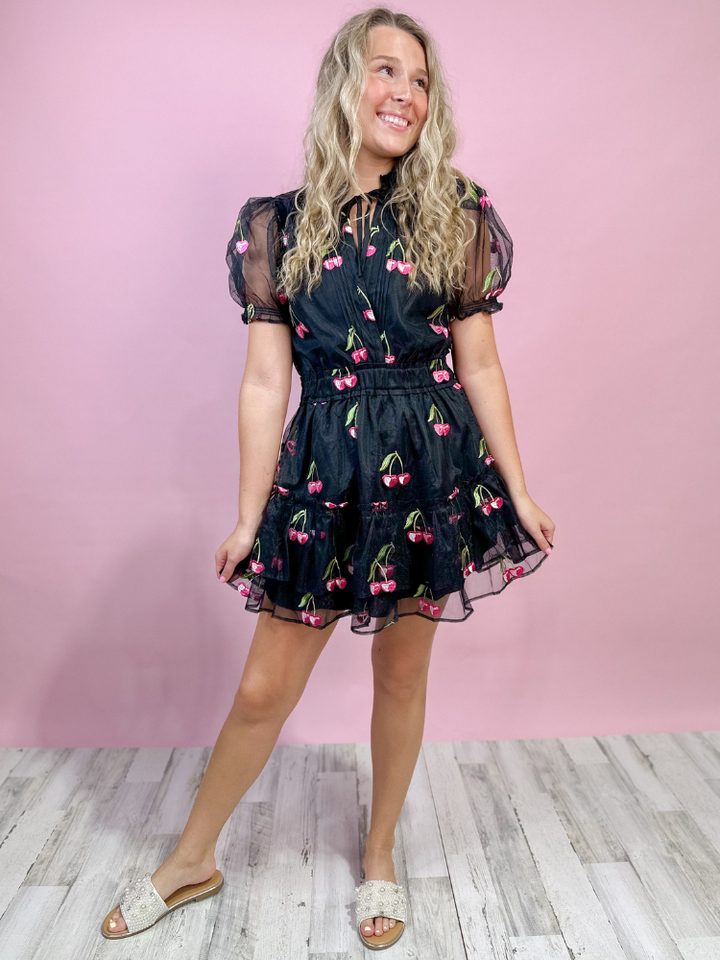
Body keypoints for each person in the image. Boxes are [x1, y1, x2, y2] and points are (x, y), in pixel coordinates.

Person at [100, 6, 555, 949]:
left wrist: (518, 487)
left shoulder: (456, 212)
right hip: (325, 474)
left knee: (403, 672)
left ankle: (380, 855)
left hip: (430, 466)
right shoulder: (275, 226)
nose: (406, 94)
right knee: (264, 688)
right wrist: (246, 516)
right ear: (346, 84)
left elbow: (480, 365)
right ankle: (191, 861)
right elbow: (266, 384)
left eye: (421, 81)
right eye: (387, 71)